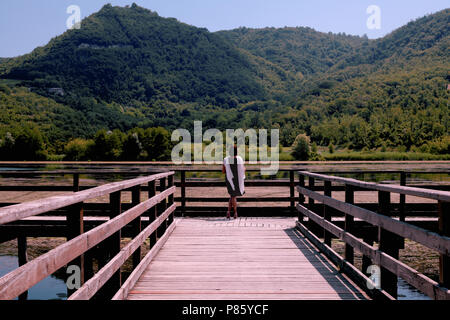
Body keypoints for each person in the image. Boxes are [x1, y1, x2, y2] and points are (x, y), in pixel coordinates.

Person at [222, 144, 245, 219]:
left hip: (230, 180)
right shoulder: (239, 159)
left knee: (232, 196)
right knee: (233, 196)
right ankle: (234, 213)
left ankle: (230, 212)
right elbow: (243, 169)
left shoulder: (226, 159)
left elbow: (223, 171)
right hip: (237, 180)